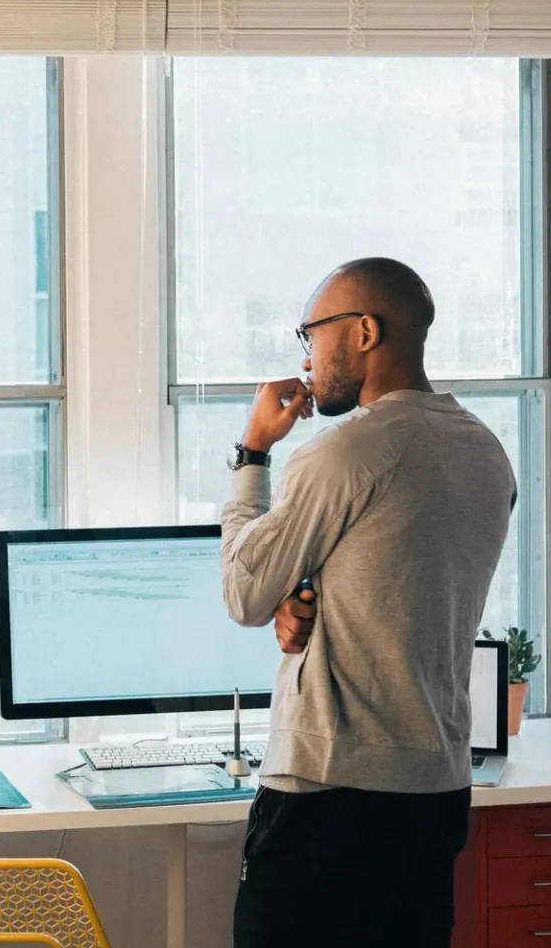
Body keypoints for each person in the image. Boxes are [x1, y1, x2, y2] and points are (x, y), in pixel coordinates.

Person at [220, 258, 517, 948]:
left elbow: (242, 590)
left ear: (363, 332)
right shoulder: (486, 453)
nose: (306, 356)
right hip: (434, 791)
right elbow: (399, 579)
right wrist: (305, 599)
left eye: (313, 333)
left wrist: (253, 452)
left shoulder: (343, 454)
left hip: (330, 791)